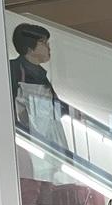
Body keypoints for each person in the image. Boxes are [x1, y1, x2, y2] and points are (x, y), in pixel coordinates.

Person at [9, 23, 70, 155]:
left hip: (47, 138)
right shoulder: (13, 69)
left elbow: (56, 108)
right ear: (29, 48)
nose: (48, 47)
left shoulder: (42, 75)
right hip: (29, 141)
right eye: (43, 43)